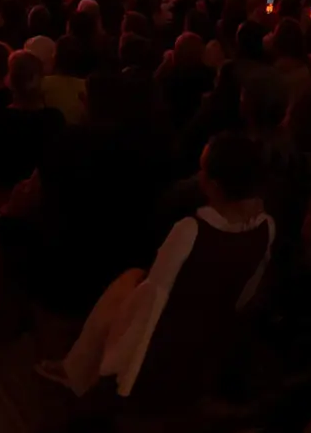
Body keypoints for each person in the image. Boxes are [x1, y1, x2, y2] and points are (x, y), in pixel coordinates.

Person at [39, 132, 274, 410]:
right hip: (211, 334)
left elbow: (151, 301)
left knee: (128, 286)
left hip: (168, 339)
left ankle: (79, 370)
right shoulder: (266, 228)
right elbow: (245, 293)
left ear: (214, 185)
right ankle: (77, 366)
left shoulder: (191, 231)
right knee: (130, 280)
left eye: (203, 170)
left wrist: (123, 366)